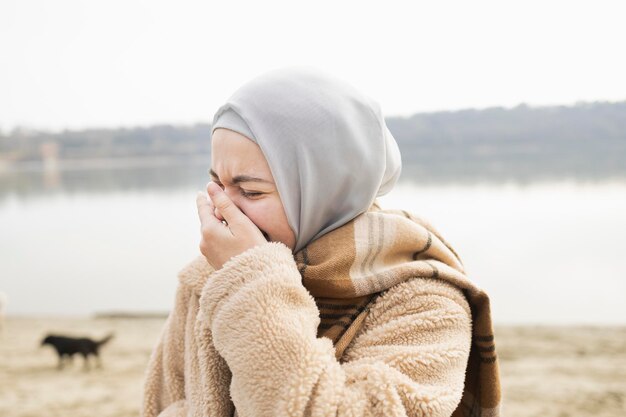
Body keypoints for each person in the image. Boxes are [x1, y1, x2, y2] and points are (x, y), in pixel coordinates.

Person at [141, 67, 501, 417]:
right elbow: (161, 403)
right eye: (218, 184)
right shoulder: (211, 279)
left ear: (327, 190)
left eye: (250, 190)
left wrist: (252, 286)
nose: (223, 211)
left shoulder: (427, 303)